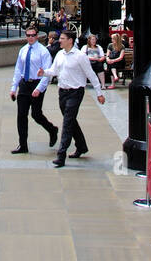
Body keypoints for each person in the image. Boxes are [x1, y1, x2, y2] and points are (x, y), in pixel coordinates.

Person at [33, 28, 105, 167]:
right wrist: (44, 73)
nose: (59, 41)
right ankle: (81, 146)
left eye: (62, 39)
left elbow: (91, 74)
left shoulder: (80, 56)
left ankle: (61, 155)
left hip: (76, 92)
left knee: (67, 123)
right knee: (70, 120)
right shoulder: (60, 54)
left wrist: (99, 93)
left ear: (70, 41)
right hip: (62, 92)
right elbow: (54, 70)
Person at [9, 25, 58, 154]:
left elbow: (47, 72)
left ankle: (52, 129)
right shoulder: (23, 50)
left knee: (36, 114)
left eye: (32, 35)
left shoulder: (43, 51)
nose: (30, 38)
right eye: (28, 35)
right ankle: (23, 145)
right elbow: (18, 69)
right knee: (21, 115)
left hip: (37, 83)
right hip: (24, 84)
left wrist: (39, 88)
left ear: (37, 36)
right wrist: (13, 88)